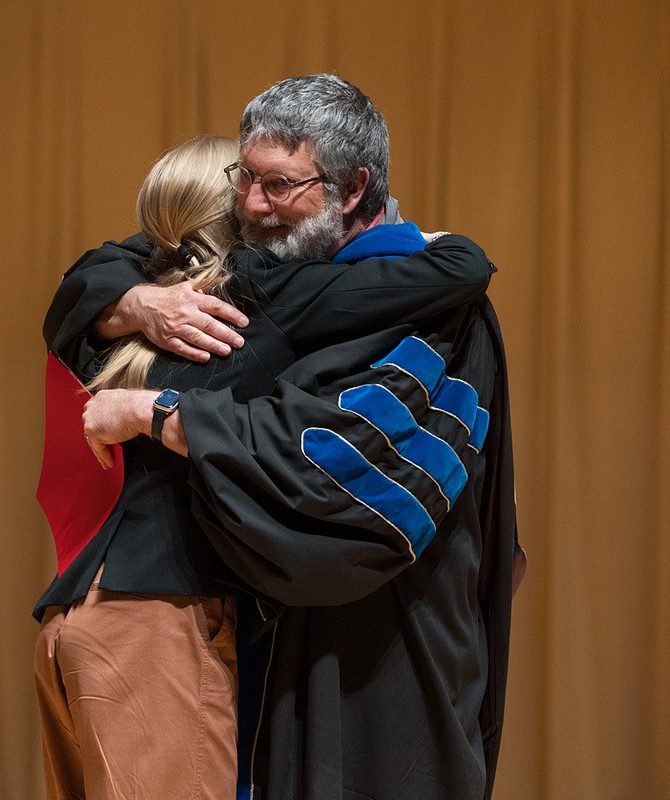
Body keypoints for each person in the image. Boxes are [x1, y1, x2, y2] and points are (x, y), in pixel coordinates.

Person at [73, 74, 521, 800]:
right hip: (264, 640)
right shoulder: (263, 287)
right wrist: (137, 302)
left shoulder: (435, 308)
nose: (251, 205)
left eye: (278, 186)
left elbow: (332, 463)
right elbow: (118, 263)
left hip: (384, 645)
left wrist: (159, 414)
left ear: (353, 189)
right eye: (243, 179)